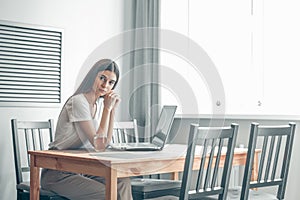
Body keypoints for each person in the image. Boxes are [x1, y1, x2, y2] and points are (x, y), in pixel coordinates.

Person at [41, 59, 133, 200]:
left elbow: (105, 143)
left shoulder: (94, 105)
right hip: (58, 173)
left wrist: (112, 109)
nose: (105, 85)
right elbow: (99, 145)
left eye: (110, 82)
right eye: (102, 78)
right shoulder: (79, 101)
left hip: (79, 170)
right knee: (107, 193)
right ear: (93, 76)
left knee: (122, 181)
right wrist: (107, 109)